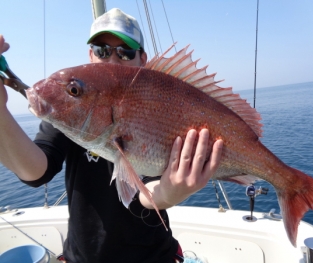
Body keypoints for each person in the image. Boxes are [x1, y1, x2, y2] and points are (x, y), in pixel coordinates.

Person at [0, 8, 223, 263]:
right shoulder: (75, 107)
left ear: (143, 60)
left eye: (126, 52)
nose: (113, 61)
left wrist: (169, 193)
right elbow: (36, 170)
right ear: (90, 56)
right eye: (102, 50)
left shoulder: (158, 106)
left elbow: (144, 196)